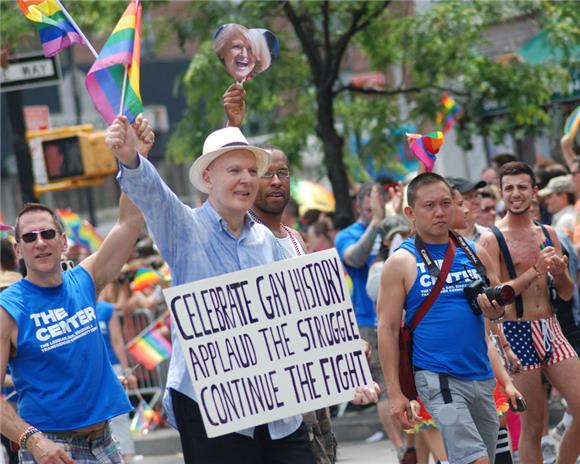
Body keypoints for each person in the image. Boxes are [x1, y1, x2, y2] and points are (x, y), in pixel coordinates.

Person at [109, 113, 323, 463]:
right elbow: (154, 197)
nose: (247, 180)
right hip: (211, 403)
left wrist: (336, 347)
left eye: (252, 171)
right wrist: (133, 159)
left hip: (277, 403)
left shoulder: (266, 241)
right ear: (207, 178)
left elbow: (292, 312)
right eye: (234, 170)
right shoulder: (184, 228)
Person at [0, 115, 154, 464]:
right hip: (53, 450)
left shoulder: (86, 279)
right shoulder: (8, 307)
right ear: (18, 250)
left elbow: (129, 221)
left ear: (63, 242)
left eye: (47, 234)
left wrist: (135, 161)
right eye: (29, 237)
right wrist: (33, 442)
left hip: (105, 443)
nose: (40, 243)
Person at [378, 172, 522, 464]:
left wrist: (496, 312)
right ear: (410, 213)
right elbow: (388, 328)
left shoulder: (474, 252)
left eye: (445, 203)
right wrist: (395, 393)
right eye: (429, 205)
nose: (440, 212)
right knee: (475, 460)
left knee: (487, 458)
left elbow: (494, 314)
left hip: (481, 375)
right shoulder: (401, 262)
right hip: (438, 378)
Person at [478, 161, 580, 464]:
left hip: (551, 327)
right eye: (509, 188)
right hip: (515, 333)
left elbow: (565, 292)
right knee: (534, 425)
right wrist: (534, 271)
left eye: (522, 187)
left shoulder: (549, 233)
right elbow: (495, 299)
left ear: (535, 192)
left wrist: (559, 273)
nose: (516, 193)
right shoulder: (491, 239)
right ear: (500, 192)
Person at [446, 177, 487, 241]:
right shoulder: (443, 240)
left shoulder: (489, 235)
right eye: (468, 197)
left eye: (477, 195)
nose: (476, 202)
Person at [538, 175, 576, 239]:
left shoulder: (566, 219)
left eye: (549, 196)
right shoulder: (565, 217)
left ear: (563, 196)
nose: (546, 201)